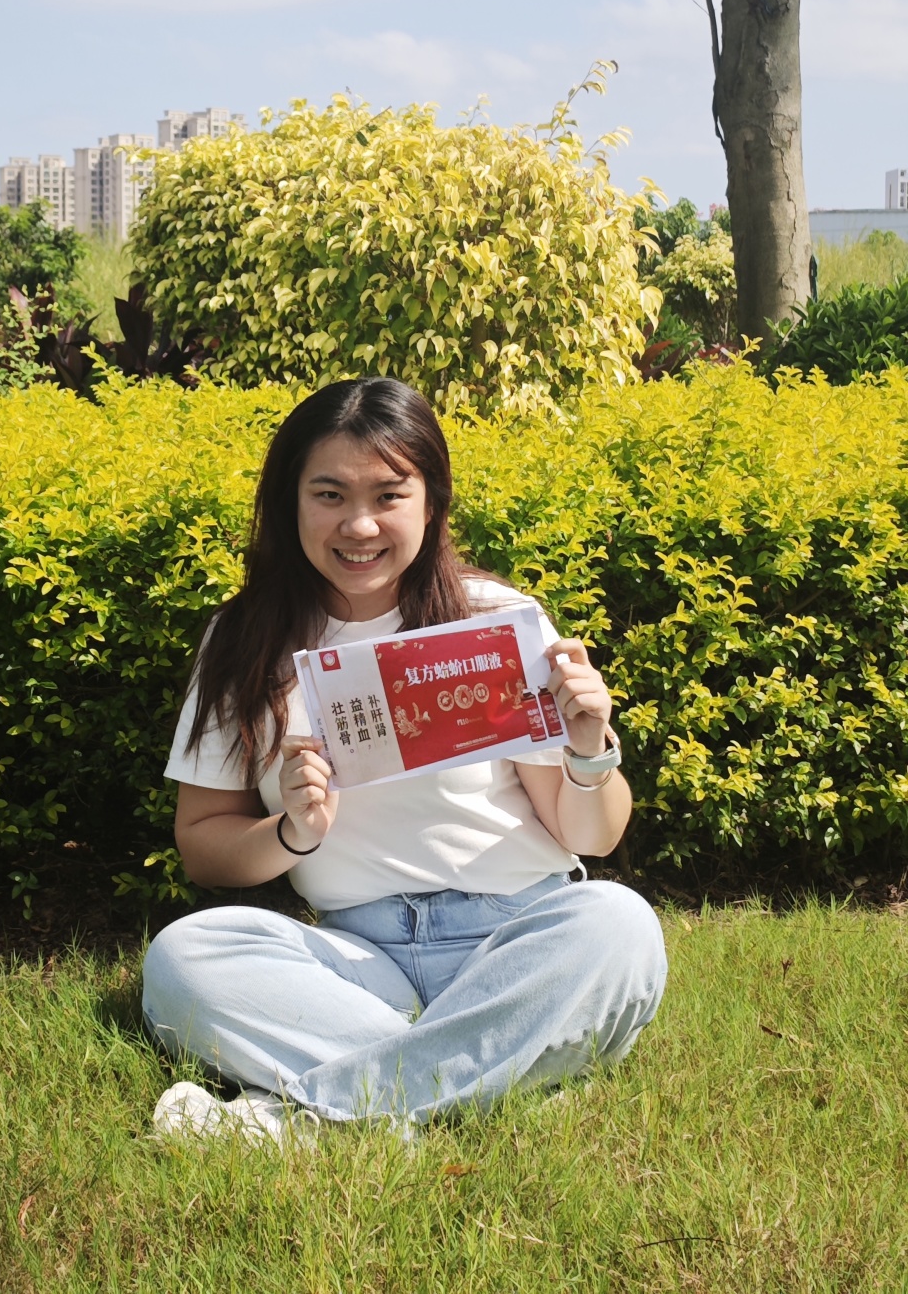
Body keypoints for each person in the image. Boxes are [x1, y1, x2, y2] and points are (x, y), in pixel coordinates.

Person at [142, 377, 666, 1138]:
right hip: (360, 961)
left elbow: (593, 835)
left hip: (518, 937)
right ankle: (488, 1073)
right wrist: (290, 830)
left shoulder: (496, 619)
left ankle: (310, 1120)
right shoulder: (243, 641)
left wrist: (589, 750)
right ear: (291, 502)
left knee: (617, 923)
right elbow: (203, 845)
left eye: (389, 495)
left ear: (431, 501)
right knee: (183, 957)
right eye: (329, 494)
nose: (359, 524)